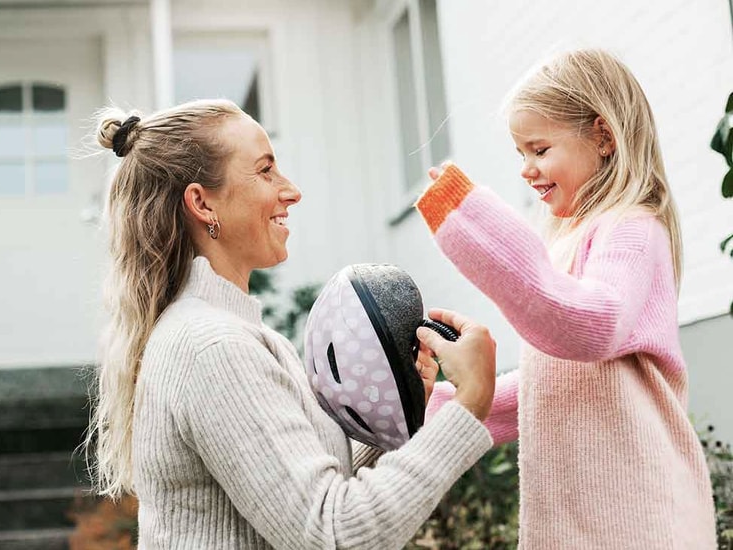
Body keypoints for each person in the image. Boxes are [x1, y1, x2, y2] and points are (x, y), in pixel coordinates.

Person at [84, 98, 497, 549]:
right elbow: (334, 534)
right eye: (265, 170)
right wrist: (469, 403)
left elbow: (301, 496)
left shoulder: (250, 338)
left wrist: (401, 411)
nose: (292, 191)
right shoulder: (212, 347)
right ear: (202, 203)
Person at [413, 49, 717, 548]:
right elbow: (546, 390)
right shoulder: (567, 241)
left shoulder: (632, 230)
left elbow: (588, 325)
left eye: (539, 149)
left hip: (642, 524)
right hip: (577, 527)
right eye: (520, 154)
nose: (526, 170)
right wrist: (437, 403)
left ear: (602, 136)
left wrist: (473, 226)